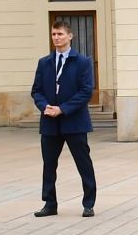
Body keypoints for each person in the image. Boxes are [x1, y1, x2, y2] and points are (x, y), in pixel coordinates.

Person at [30, 20, 97, 218]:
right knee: (49, 165)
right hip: (50, 122)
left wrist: (63, 109)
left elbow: (86, 91)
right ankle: (50, 204)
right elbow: (36, 90)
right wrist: (45, 107)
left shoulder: (82, 61)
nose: (56, 38)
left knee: (83, 163)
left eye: (60, 34)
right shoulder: (44, 63)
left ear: (70, 36)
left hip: (74, 122)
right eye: (53, 34)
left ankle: (89, 203)